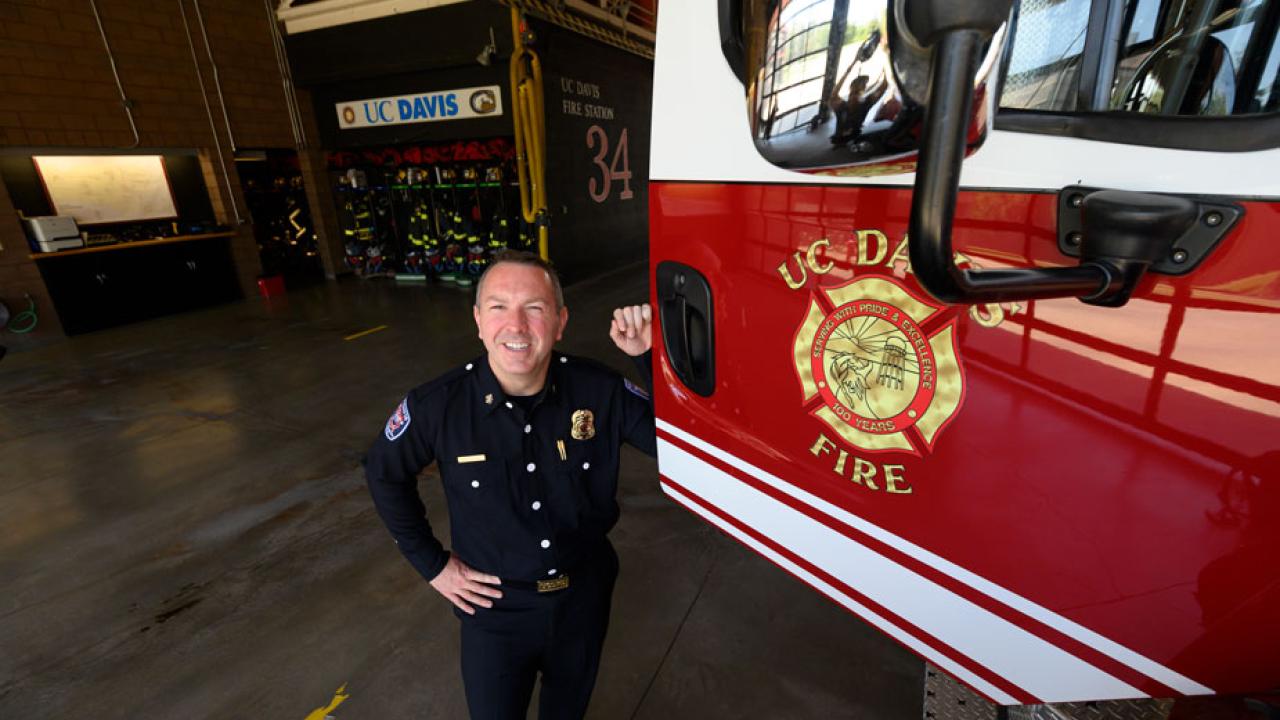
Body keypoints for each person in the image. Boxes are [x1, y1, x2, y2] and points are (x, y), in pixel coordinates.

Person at [365, 249, 656, 720]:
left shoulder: (598, 390)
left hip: (583, 597)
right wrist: (433, 566)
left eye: (535, 309)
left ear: (560, 321)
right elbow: (383, 471)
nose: (516, 326)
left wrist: (647, 359)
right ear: (478, 320)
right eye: (499, 307)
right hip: (494, 613)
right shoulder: (438, 406)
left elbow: (681, 448)